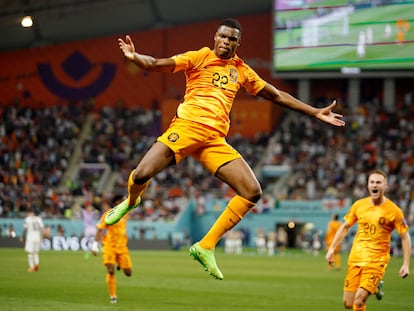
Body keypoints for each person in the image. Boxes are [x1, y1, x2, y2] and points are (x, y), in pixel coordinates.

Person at [105, 18, 345, 280]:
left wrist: (314, 112)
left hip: (214, 140)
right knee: (141, 175)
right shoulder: (199, 57)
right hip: (186, 129)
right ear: (215, 37)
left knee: (252, 191)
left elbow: (275, 95)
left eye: (232, 39)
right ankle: (131, 201)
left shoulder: (241, 70)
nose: (226, 42)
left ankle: (205, 246)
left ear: (237, 43)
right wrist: (134, 56)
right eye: (222, 36)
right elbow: (157, 64)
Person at [325, 169, 411, 311]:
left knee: (358, 301)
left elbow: (405, 236)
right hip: (356, 259)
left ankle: (373, 286)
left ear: (385, 186)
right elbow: (345, 227)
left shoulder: (394, 211)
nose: (375, 185)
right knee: (348, 303)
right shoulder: (359, 205)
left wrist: (406, 264)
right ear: (368, 185)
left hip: (376, 262)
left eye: (378, 182)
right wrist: (332, 248)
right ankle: (376, 288)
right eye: (372, 182)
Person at [92, 195, 133, 304]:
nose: (124, 202)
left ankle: (120, 263)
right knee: (110, 270)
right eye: (121, 201)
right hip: (109, 245)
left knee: (129, 273)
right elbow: (99, 229)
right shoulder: (108, 214)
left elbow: (134, 201)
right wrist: (95, 245)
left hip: (122, 246)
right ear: (115, 203)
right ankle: (113, 296)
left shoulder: (126, 213)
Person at [20, 208, 45, 272]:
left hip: (30, 238)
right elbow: (42, 228)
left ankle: (32, 267)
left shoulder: (27, 219)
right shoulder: (39, 219)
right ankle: (36, 264)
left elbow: (25, 229)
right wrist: (42, 236)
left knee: (30, 253)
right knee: (36, 252)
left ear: (31, 213)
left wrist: (22, 236)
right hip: (37, 238)